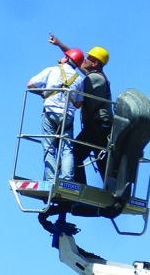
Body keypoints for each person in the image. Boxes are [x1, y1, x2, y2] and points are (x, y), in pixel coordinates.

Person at [48, 32, 113, 184]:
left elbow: (75, 88)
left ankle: (79, 189)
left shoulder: (94, 79)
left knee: (74, 154)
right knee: (102, 161)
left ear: (95, 63)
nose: (85, 59)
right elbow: (77, 62)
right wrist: (60, 44)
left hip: (97, 126)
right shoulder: (96, 76)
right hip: (101, 126)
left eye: (89, 58)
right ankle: (110, 192)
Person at [27, 48, 85, 182]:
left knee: (49, 147)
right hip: (68, 117)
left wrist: (44, 93)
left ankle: (51, 179)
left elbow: (30, 85)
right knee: (67, 149)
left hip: (50, 113)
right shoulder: (80, 80)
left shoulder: (52, 70)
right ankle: (67, 179)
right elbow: (78, 104)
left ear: (66, 58)